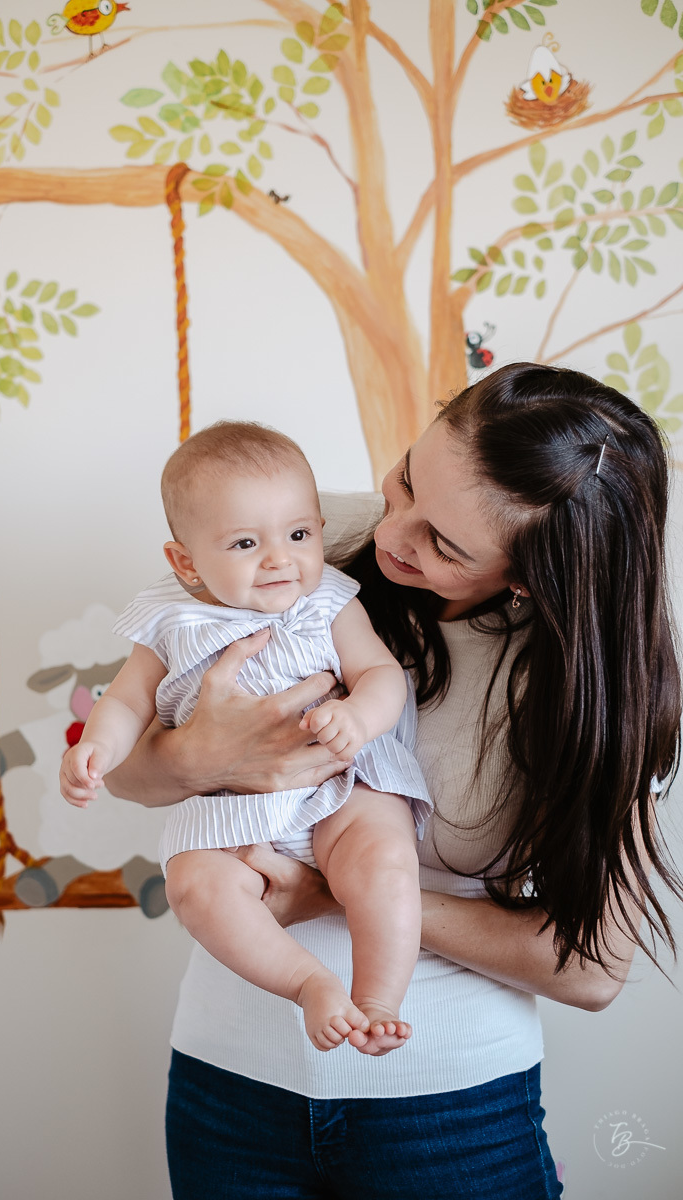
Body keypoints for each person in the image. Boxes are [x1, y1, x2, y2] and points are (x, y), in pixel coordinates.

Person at [107, 364, 682, 1200]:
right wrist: (203, 756)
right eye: (407, 478)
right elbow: (129, 767)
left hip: (448, 1113)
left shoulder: (605, 692)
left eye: (443, 544)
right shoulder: (298, 535)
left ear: (530, 578)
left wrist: (328, 892)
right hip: (229, 1080)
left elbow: (588, 969)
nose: (393, 533)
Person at [60, 422, 432, 1053]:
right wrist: (97, 747)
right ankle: (308, 983)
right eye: (243, 543)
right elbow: (126, 698)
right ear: (185, 563)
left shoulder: (330, 602)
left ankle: (377, 998)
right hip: (228, 813)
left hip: (339, 788)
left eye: (298, 534)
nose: (280, 559)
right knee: (195, 888)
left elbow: (380, 673)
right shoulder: (169, 618)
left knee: (384, 858)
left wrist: (360, 719)